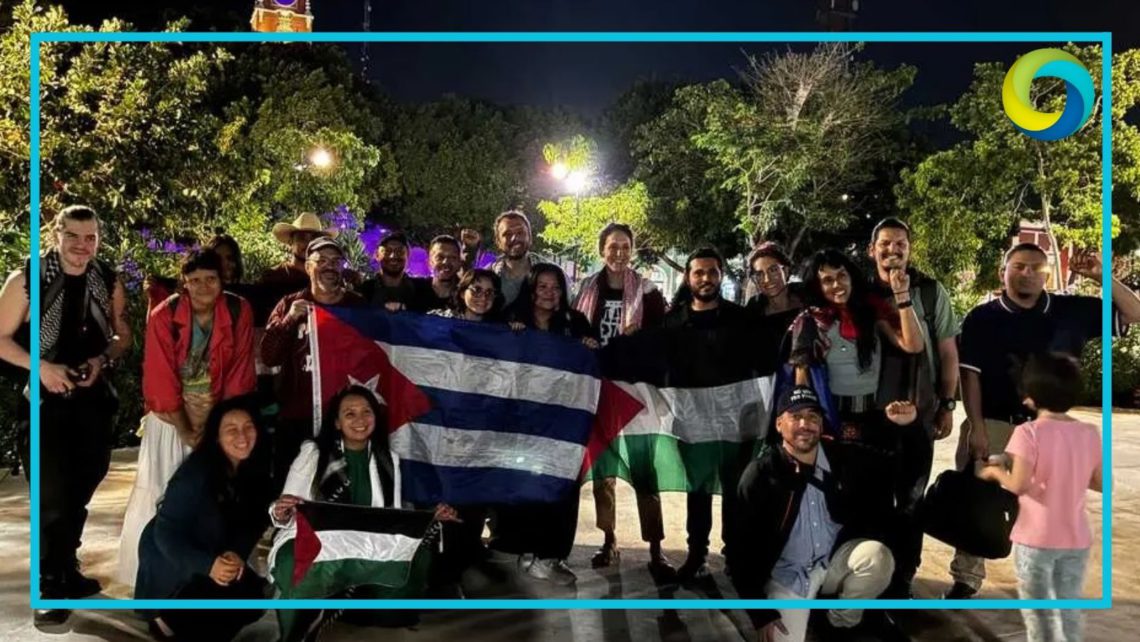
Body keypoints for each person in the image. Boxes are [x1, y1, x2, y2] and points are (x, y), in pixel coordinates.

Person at [946, 243, 1140, 599]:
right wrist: (976, 426)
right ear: (1002, 273)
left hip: (1053, 429)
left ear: (1047, 275)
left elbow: (1135, 313)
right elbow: (969, 375)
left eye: (1037, 268)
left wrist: (1102, 275)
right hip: (996, 423)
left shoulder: (1072, 311)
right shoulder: (981, 318)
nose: (1028, 273)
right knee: (979, 503)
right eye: (1019, 266)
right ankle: (966, 578)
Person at [0, 205, 132, 624]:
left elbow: (122, 334)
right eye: (72, 235)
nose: (81, 245)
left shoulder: (107, 279)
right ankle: (49, 584)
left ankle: (65, 567)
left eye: (90, 237)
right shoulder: (27, 279)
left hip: (92, 401)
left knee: (82, 486)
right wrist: (41, 367)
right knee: (51, 494)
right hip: (44, 401)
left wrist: (102, 359)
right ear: (55, 234)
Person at [268, 385, 460, 640]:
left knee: (417, 557)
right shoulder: (314, 453)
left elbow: (392, 518)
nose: (360, 420)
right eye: (350, 413)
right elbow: (284, 509)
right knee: (307, 567)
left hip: (364, 543)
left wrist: (430, 516)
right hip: (313, 539)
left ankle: (358, 612)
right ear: (337, 423)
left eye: (366, 412)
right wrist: (281, 511)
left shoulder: (388, 459)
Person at [118, 249, 256, 586]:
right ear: (184, 283)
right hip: (171, 417)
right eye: (195, 281)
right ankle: (158, 576)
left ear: (222, 280)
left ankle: (220, 570)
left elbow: (239, 375)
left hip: (218, 415)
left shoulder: (239, 310)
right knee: (165, 491)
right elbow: (160, 377)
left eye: (211, 279)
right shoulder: (164, 315)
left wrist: (218, 427)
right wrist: (185, 428)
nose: (204, 287)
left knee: (219, 492)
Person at [729, 385, 910, 642]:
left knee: (876, 557)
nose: (805, 424)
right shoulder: (760, 474)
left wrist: (907, 427)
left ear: (821, 425)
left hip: (833, 563)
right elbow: (738, 552)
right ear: (779, 424)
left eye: (812, 417)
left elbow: (896, 465)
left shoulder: (841, 457)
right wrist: (760, 613)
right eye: (796, 416)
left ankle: (839, 622)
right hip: (787, 574)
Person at [865, 218, 962, 597]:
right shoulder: (861, 293)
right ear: (872, 249)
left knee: (910, 498)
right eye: (885, 244)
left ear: (910, 248)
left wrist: (947, 404)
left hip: (919, 411)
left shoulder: (930, 291)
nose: (893, 250)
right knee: (871, 496)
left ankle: (903, 575)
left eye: (900, 244)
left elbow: (948, 352)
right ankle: (871, 574)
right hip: (869, 413)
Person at [976, 353, 1102, 642]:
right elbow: (1101, 483)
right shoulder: (1089, 432)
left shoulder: (1027, 433)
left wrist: (994, 472)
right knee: (1069, 607)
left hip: (1036, 538)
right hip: (1076, 538)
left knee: (1039, 611)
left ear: (1031, 397)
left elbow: (1017, 485)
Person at [570, 223, 673, 579]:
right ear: (602, 250)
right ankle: (609, 540)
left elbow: (663, 337)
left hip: (636, 390)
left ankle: (656, 547)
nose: (618, 253)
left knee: (645, 470)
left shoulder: (647, 291)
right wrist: (584, 340)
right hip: (599, 389)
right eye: (612, 246)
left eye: (625, 246)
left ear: (632, 250)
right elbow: (575, 329)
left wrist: (640, 336)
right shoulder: (586, 289)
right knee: (604, 471)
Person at [134, 395, 274, 641]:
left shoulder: (254, 471)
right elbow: (166, 534)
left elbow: (254, 522)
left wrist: (236, 552)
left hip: (213, 555)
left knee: (253, 598)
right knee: (217, 614)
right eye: (231, 430)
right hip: (175, 565)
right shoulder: (194, 474)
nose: (242, 436)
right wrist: (208, 565)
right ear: (216, 437)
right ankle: (163, 620)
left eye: (248, 427)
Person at [493, 263, 597, 586]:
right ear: (531, 290)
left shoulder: (575, 322)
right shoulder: (512, 319)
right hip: (521, 422)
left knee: (560, 486)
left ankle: (551, 555)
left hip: (563, 424)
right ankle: (523, 550)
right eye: (542, 286)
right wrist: (510, 336)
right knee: (524, 486)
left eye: (556, 287)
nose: (550, 293)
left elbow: (592, 363)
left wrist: (589, 346)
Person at [661, 247, 752, 583]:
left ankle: (735, 555)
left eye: (712, 272)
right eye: (698, 272)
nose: (706, 278)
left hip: (735, 422)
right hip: (692, 422)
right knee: (698, 490)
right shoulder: (672, 322)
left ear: (721, 275)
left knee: (734, 491)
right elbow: (661, 368)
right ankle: (697, 554)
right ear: (688, 277)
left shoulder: (741, 319)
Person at [261, 237, 367, 488]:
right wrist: (289, 320)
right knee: (292, 489)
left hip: (344, 419)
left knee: (339, 490)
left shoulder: (357, 306)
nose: (329, 266)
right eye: (322, 261)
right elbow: (269, 355)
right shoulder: (290, 304)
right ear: (308, 267)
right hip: (297, 417)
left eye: (336, 261)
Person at [790, 249, 924, 446]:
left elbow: (913, 345)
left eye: (842, 276)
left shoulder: (871, 311)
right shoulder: (811, 321)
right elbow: (802, 381)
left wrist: (902, 294)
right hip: (830, 420)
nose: (837, 284)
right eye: (828, 280)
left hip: (874, 417)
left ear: (851, 277)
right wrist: (806, 423)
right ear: (818, 286)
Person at [460, 211, 542, 308]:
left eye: (520, 232)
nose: (515, 238)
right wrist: (469, 253)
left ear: (530, 237)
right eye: (507, 234)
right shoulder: (488, 275)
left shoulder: (553, 273)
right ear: (498, 242)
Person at [257, 212, 336, 293]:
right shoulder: (274, 276)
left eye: (314, 239)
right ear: (290, 242)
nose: (309, 244)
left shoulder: (326, 280)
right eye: (302, 238)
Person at [359, 231, 420, 312]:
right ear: (377, 255)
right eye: (387, 251)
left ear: (408, 255)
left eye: (399, 251)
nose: (393, 256)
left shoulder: (421, 291)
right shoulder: (364, 291)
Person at [428, 268, 504, 322]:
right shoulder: (438, 318)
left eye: (489, 292)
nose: (483, 297)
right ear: (462, 293)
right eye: (477, 290)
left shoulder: (499, 329)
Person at [413, 235, 464, 313]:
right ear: (429, 262)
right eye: (440, 257)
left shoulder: (467, 295)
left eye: (452, 257)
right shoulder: (414, 289)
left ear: (460, 263)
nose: (446, 262)